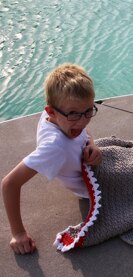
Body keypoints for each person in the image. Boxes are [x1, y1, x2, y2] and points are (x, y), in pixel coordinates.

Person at [1, 64, 102, 255]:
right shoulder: (55, 147)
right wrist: (18, 233)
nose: (83, 121)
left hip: (92, 165)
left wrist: (92, 145)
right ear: (51, 112)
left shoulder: (57, 117)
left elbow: (83, 132)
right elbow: (9, 184)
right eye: (74, 114)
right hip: (97, 189)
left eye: (89, 111)